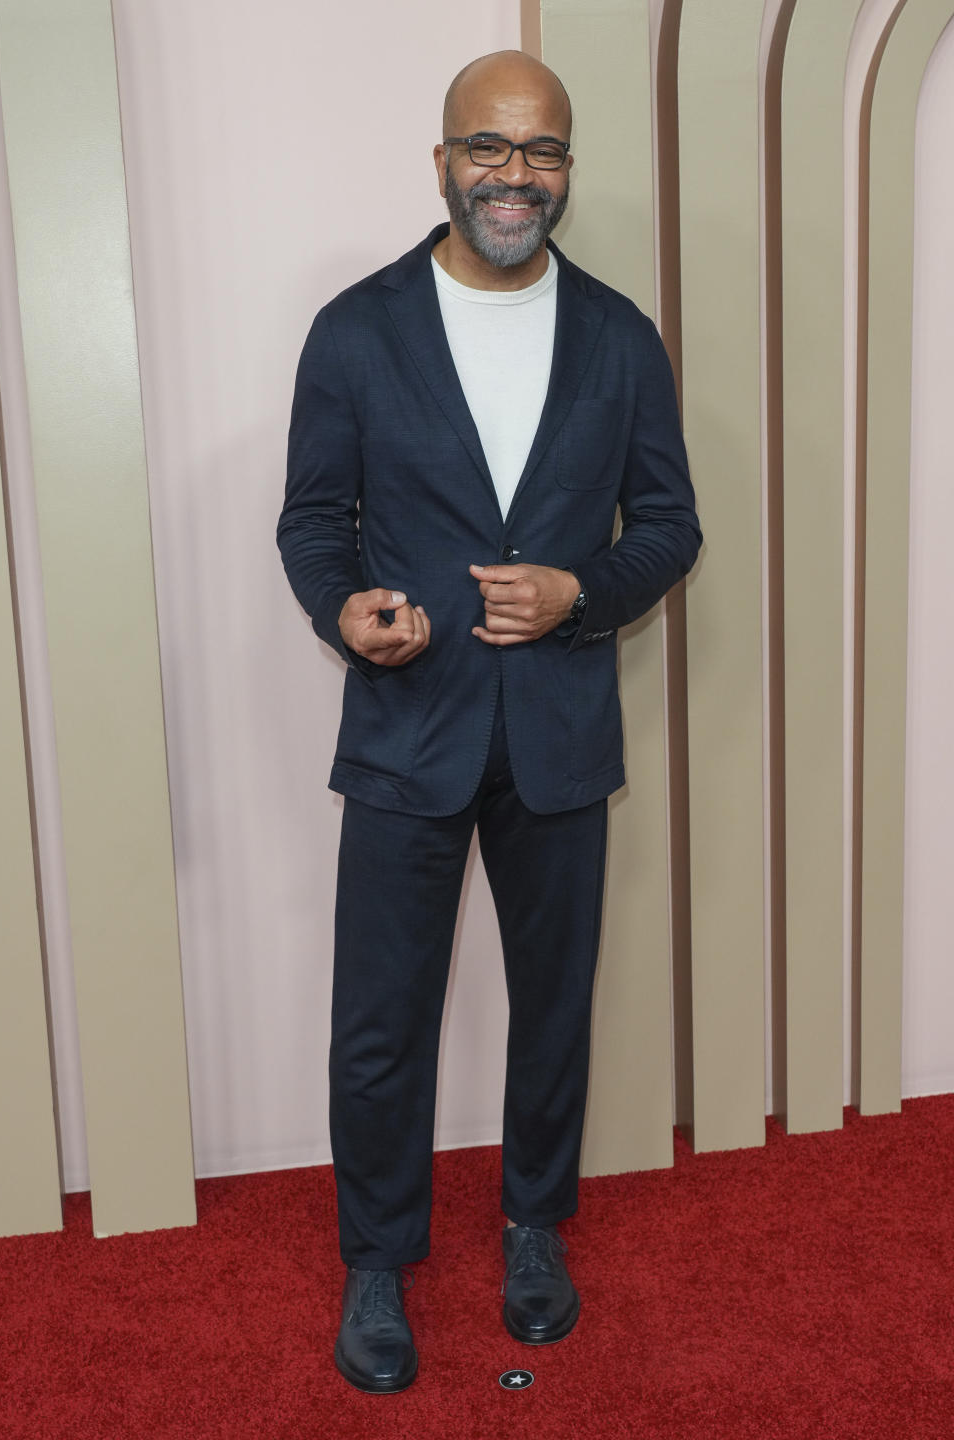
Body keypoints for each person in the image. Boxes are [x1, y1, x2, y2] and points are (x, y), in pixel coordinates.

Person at [276, 49, 701, 1393]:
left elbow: (672, 527)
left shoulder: (622, 336)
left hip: (563, 734)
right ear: (445, 159)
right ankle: (378, 1262)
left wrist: (585, 595)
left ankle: (532, 1228)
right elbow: (313, 520)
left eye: (543, 152)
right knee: (381, 1019)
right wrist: (346, 610)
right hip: (410, 724)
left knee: (553, 1007)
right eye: (492, 147)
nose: (517, 176)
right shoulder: (357, 329)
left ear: (565, 169)